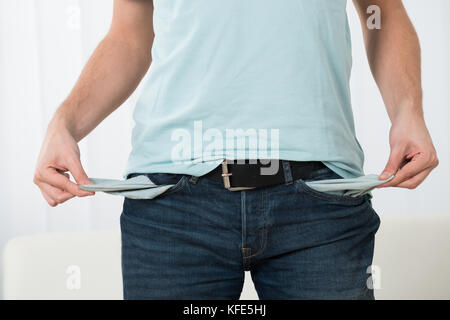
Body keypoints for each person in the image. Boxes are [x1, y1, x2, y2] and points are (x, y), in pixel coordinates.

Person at [34, 0, 438, 299]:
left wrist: (408, 111)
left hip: (319, 202)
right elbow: (129, 36)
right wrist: (64, 123)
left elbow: (382, 12)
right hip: (171, 207)